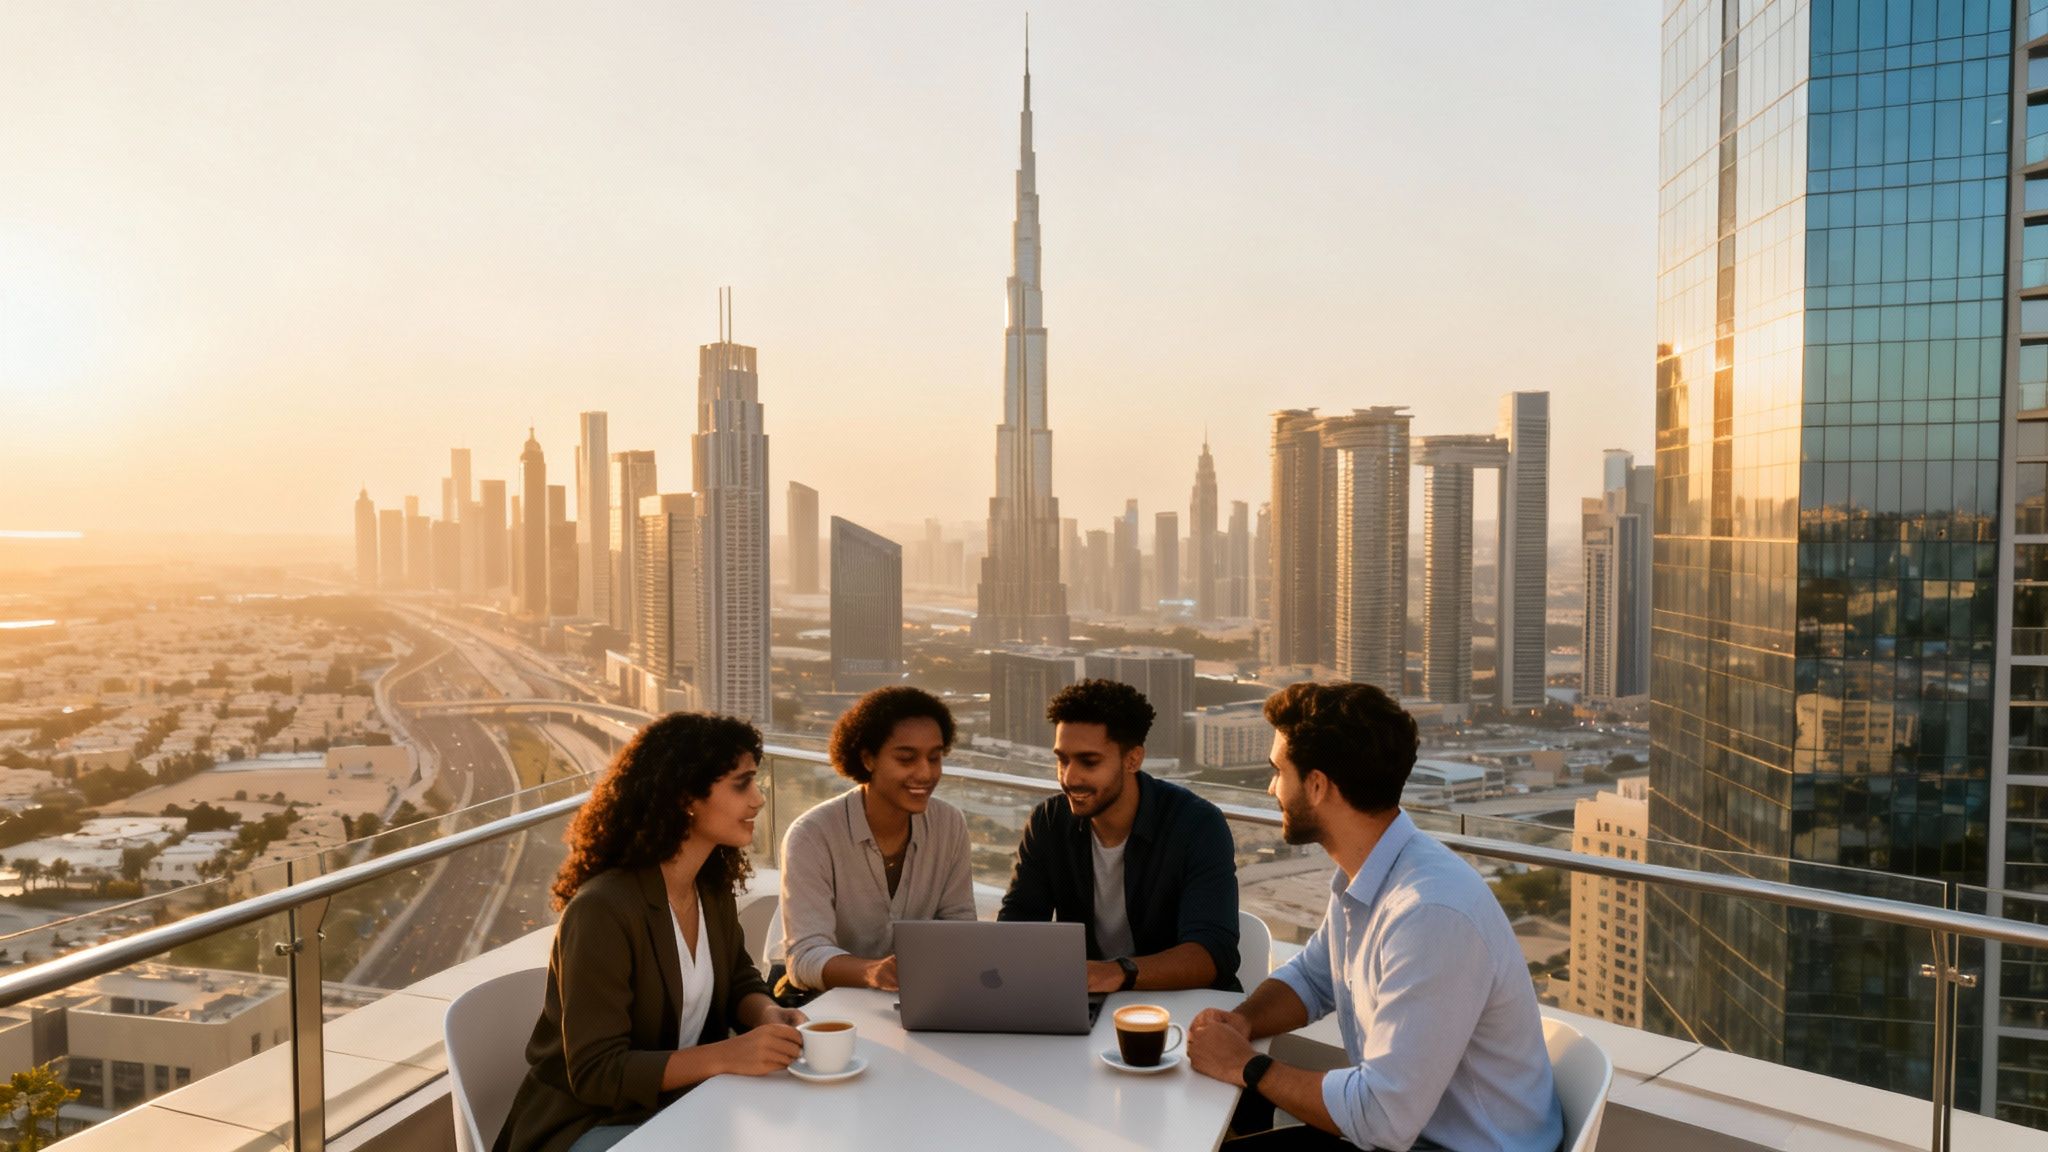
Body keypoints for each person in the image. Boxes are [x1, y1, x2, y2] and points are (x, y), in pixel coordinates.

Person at [1187, 682, 1564, 1152]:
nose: (1271, 788)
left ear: (1317, 785)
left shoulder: (1428, 914)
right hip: (1406, 1134)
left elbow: (1381, 1117)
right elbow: (1315, 977)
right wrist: (1241, 1024)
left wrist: (1244, 1065)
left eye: (1278, 771)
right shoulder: (1369, 876)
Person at [495, 712, 808, 1152]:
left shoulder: (709, 887)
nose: (757, 799)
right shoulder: (602, 911)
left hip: (681, 1106)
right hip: (589, 1127)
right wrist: (725, 1056)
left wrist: (765, 1014)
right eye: (742, 784)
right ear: (685, 797)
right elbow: (597, 1073)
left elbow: (738, 977)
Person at [998, 678, 1240, 992]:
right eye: (1062, 759)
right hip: (1088, 1004)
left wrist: (1117, 972)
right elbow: (1017, 928)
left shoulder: (1197, 825)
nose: (1069, 777)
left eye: (1089, 761)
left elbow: (1212, 954)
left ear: (1133, 759)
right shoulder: (1049, 822)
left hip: (1181, 1008)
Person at [776, 685, 976, 994]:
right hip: (831, 1009)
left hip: (920, 999)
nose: (925, 773)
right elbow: (804, 957)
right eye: (906, 758)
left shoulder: (949, 825)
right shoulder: (812, 836)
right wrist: (873, 973)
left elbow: (960, 927)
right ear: (868, 759)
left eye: (935, 758)